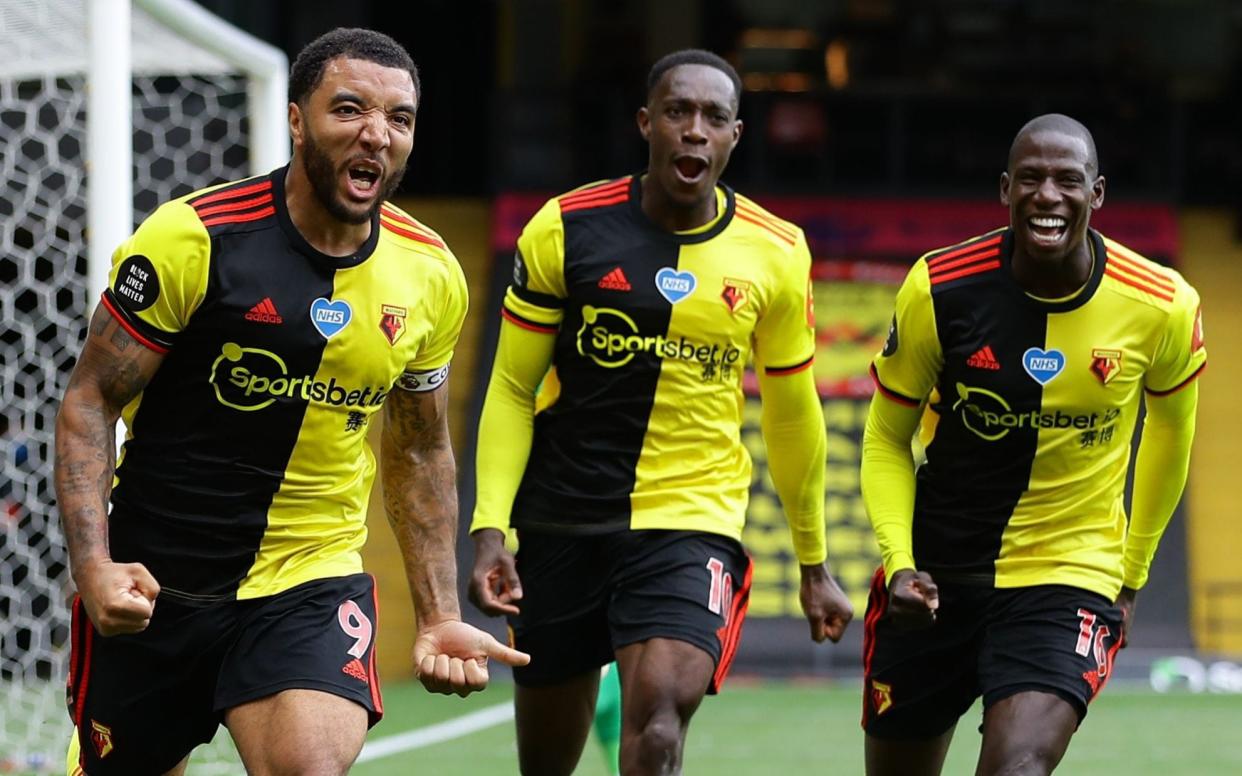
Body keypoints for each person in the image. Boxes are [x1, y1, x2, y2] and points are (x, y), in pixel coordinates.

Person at [54, 27, 527, 776]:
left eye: (399, 119)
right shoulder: (191, 239)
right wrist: (94, 565)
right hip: (157, 583)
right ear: (298, 118)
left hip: (306, 579)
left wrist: (438, 615)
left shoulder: (430, 277)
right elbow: (89, 401)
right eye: (349, 110)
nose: (377, 134)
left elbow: (419, 446)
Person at [468, 48, 854, 776]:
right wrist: (490, 528)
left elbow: (793, 416)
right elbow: (514, 389)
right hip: (563, 516)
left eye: (714, 118)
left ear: (737, 135)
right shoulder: (564, 230)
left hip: (691, 517)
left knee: (659, 720)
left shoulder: (776, 253)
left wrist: (813, 561)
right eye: (678, 112)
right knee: (545, 761)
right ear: (647, 124)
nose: (695, 131)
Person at [860, 114, 1205, 775]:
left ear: (1097, 195)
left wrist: (1131, 573)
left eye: (1068, 180)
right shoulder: (939, 288)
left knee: (1018, 767)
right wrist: (900, 561)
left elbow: (1170, 433)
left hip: (1068, 572)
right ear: (1004, 190)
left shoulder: (1163, 305)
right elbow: (885, 437)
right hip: (938, 576)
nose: (1048, 195)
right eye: (1031, 179)